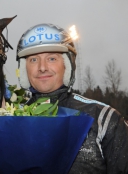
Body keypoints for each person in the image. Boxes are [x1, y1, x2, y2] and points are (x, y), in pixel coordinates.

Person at [16, 23, 128, 173]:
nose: (42, 67)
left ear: (67, 65)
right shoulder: (11, 121)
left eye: (52, 59)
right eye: (33, 60)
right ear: (24, 69)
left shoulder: (104, 118)